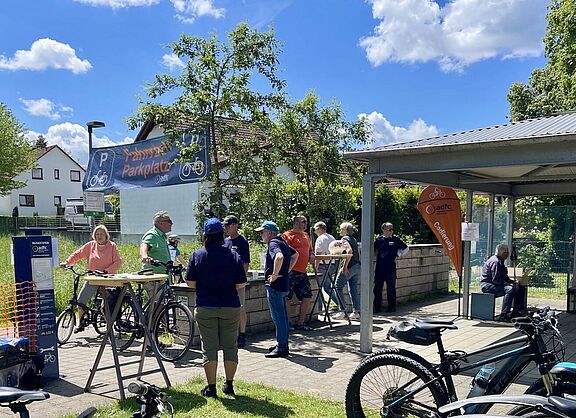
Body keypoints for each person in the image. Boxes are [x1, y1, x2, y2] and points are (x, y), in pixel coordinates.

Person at [185, 218, 246, 397]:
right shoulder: (233, 255)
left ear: (205, 235)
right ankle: (229, 385)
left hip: (205, 306)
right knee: (230, 346)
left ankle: (211, 387)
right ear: (222, 235)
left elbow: (189, 282)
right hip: (230, 306)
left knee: (209, 348)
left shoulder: (197, 255)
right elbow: (241, 283)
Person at [60, 224, 122, 331]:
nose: (99, 236)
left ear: (106, 235)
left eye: (102, 234)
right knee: (81, 300)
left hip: (108, 278)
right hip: (92, 278)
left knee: (107, 303)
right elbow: (77, 254)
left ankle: (109, 327)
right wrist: (67, 262)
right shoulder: (91, 245)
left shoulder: (112, 246)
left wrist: (106, 271)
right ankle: (81, 322)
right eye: (97, 234)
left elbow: (118, 262)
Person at [256, 220, 298, 358]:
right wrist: (286, 271)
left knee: (278, 317)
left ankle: (282, 347)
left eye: (262, 232)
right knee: (283, 317)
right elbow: (295, 255)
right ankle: (282, 343)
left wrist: (274, 275)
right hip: (284, 284)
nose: (261, 235)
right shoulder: (282, 241)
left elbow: (279, 257)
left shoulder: (273, 243)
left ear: (269, 232)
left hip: (275, 286)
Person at [282, 215, 315, 331]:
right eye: (303, 222)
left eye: (306, 222)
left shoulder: (306, 235)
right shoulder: (287, 235)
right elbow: (284, 251)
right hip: (290, 271)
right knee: (287, 297)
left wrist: (311, 255)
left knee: (307, 296)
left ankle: (301, 323)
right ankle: (288, 323)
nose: (306, 224)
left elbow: (310, 249)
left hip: (302, 271)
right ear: (296, 223)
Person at [223, 214, 250, 348]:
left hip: (238, 281)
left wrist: (242, 279)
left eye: (227, 226)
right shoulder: (225, 241)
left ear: (234, 226)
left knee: (240, 307)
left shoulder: (242, 241)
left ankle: (242, 334)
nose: (225, 228)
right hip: (226, 281)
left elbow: (246, 262)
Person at [373, 222, 409, 313]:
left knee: (391, 288)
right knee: (377, 288)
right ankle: (377, 307)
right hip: (380, 267)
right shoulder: (379, 240)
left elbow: (406, 248)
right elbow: (372, 250)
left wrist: (399, 254)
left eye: (392, 229)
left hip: (390, 267)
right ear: (384, 230)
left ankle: (392, 307)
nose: (391, 231)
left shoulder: (396, 240)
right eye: (389, 229)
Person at [330, 222, 361, 320]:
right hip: (357, 266)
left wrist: (344, 266)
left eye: (341, 229)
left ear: (345, 230)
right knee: (353, 289)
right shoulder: (353, 239)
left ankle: (342, 311)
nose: (340, 231)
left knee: (336, 286)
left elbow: (349, 251)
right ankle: (356, 312)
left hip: (350, 266)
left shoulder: (344, 239)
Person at [480, 243, 519, 322]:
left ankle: (516, 310)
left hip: (494, 283)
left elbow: (504, 277)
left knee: (519, 287)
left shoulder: (500, 261)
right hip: (487, 285)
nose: (508, 255)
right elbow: (496, 279)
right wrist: (509, 284)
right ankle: (504, 314)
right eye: (507, 253)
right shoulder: (496, 262)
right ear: (503, 253)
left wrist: (513, 282)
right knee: (509, 289)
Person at [313, 221, 335, 311]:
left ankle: (319, 309)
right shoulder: (332, 238)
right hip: (332, 264)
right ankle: (341, 304)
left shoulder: (320, 239)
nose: (314, 232)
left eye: (315, 230)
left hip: (322, 265)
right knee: (327, 287)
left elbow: (318, 254)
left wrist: (315, 267)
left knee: (318, 288)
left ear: (318, 229)